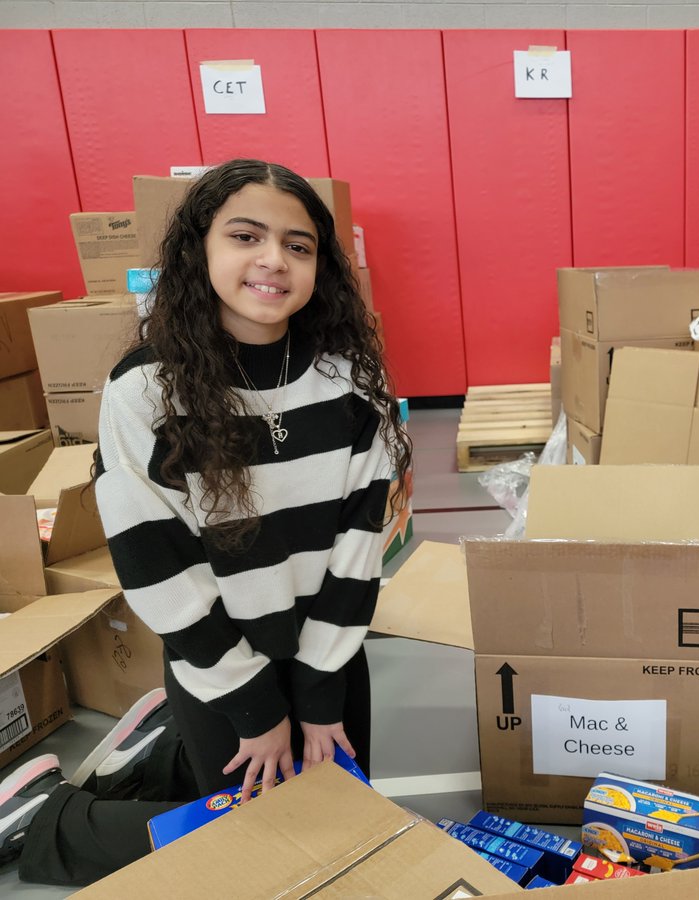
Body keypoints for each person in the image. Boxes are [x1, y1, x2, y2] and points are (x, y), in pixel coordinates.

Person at [0, 158, 411, 885]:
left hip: (330, 651)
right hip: (216, 658)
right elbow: (157, 566)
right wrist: (255, 709)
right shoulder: (145, 390)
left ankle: (161, 755)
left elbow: (358, 548)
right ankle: (50, 818)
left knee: (337, 829)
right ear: (200, 249)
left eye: (299, 245)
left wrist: (317, 696)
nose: (272, 261)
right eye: (246, 236)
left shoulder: (349, 378)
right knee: (251, 851)